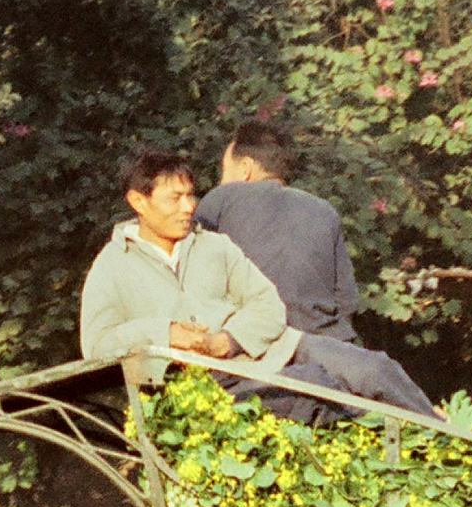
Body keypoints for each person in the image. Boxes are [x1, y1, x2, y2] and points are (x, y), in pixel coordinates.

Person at [78, 148, 440, 422]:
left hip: (275, 347)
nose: (189, 207)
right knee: (317, 387)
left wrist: (229, 340)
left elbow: (268, 305)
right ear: (138, 201)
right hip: (215, 382)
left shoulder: (214, 245)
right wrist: (167, 333)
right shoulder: (112, 265)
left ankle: (447, 436)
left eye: (191, 195)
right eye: (175, 198)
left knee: (374, 369)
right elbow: (97, 343)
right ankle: (398, 444)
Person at [197, 119, 360, 342]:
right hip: (323, 340)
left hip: (249, 341)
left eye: (225, 171)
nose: (221, 181)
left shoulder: (221, 199)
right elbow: (347, 298)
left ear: (245, 168)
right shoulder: (324, 210)